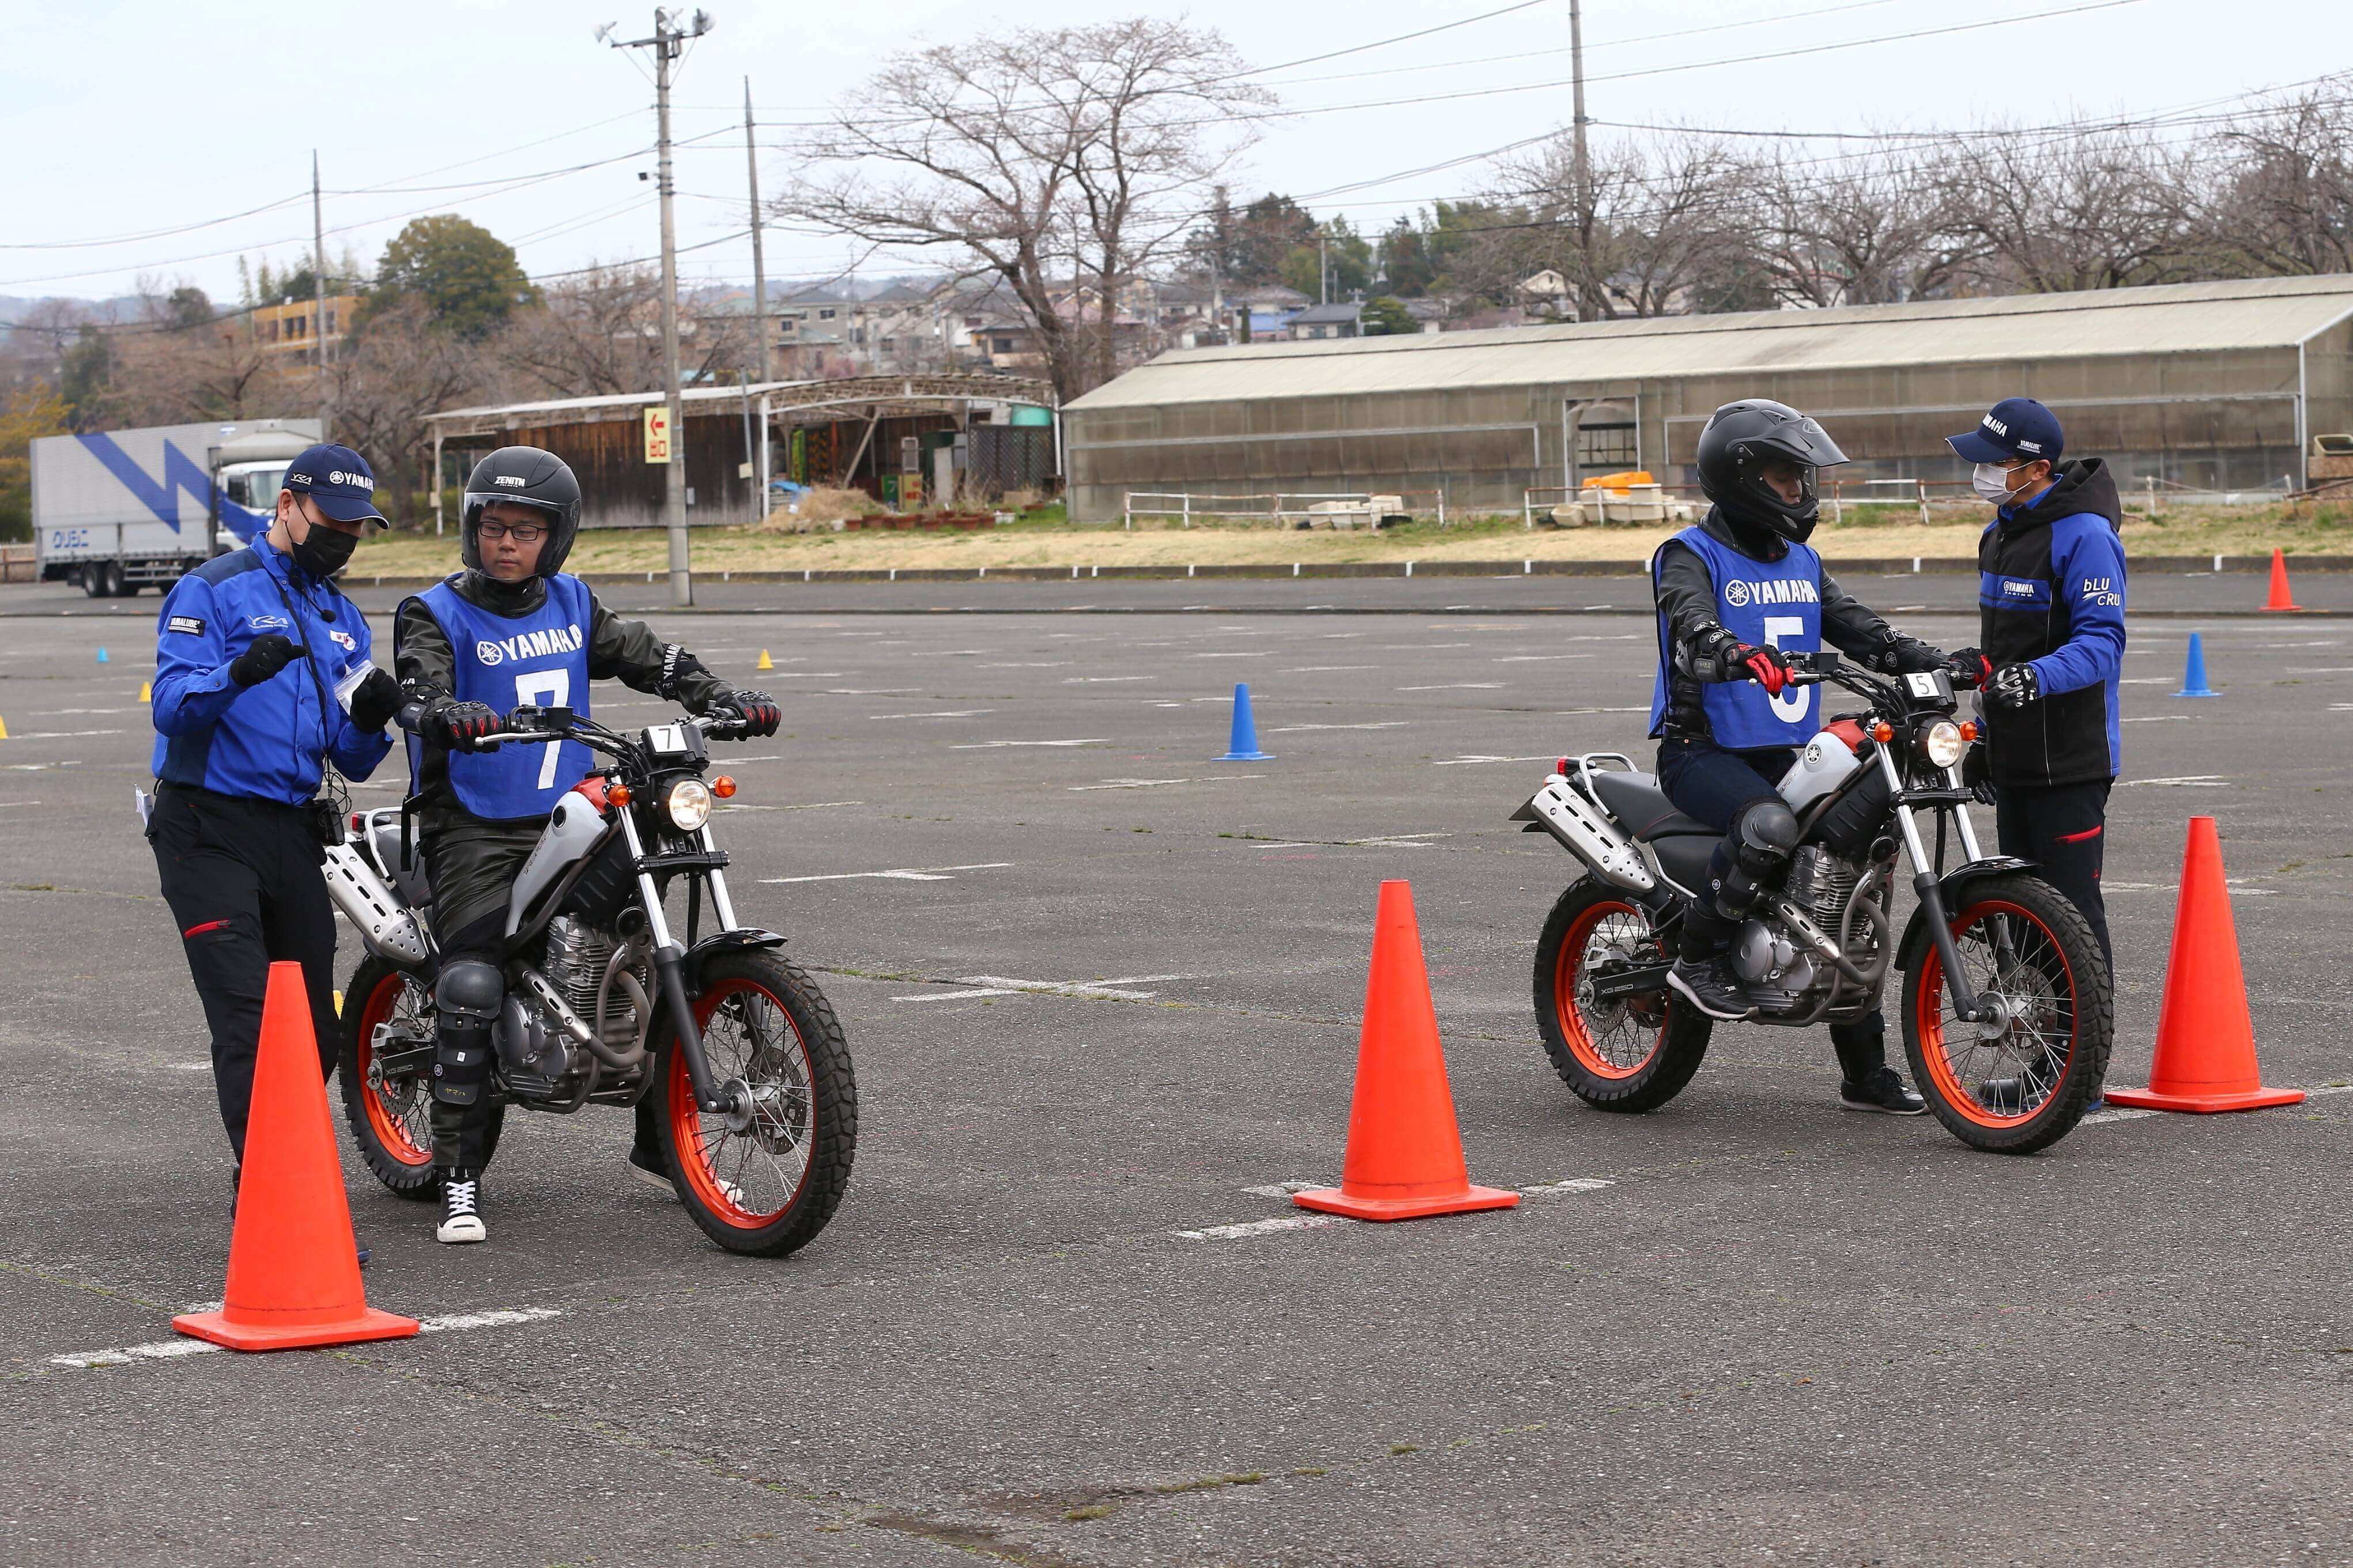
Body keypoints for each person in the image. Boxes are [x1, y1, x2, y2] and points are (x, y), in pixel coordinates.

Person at [394, 445, 780, 1245]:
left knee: (639, 942)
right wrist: (442, 709)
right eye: (493, 526)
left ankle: (658, 1142)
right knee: (472, 978)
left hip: (572, 806)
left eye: (526, 530)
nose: (506, 543)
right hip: (475, 823)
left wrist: (720, 696)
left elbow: (650, 657)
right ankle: (460, 1173)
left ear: (556, 537)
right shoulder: (434, 610)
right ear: (471, 528)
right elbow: (417, 684)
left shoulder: (572, 603)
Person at [1648, 399, 1964, 1116]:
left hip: (1787, 751)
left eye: (1801, 478)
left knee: (1851, 871)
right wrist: (1731, 651)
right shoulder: (1687, 555)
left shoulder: (1801, 560)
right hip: (1702, 751)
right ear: (1741, 478)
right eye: (1785, 476)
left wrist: (1928, 660)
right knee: (1765, 828)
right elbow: (1690, 626)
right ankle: (1697, 961)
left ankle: (1865, 1075)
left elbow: (1857, 629)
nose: (1799, 491)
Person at [148, 444, 405, 1246]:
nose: (343, 539)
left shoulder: (341, 613)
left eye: (356, 530)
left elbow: (351, 755)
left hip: (293, 831)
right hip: (206, 828)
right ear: (289, 505)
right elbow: (171, 704)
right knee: (250, 1020)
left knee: (314, 1031)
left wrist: (372, 719)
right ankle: (277, 1201)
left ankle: (263, 1164)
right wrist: (237, 673)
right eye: (332, 522)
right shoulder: (213, 589)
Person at [1941, 398, 2125, 969]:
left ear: (2037, 468)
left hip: (2069, 761)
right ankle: (2039, 1051)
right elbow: (2002, 656)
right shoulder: (1997, 533)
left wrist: (2035, 676)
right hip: (2014, 760)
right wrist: (1986, 743)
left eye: (1994, 463)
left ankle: (2081, 1049)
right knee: (2020, 916)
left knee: (2071, 918)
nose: (1982, 475)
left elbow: (2101, 644)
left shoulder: (2085, 536)